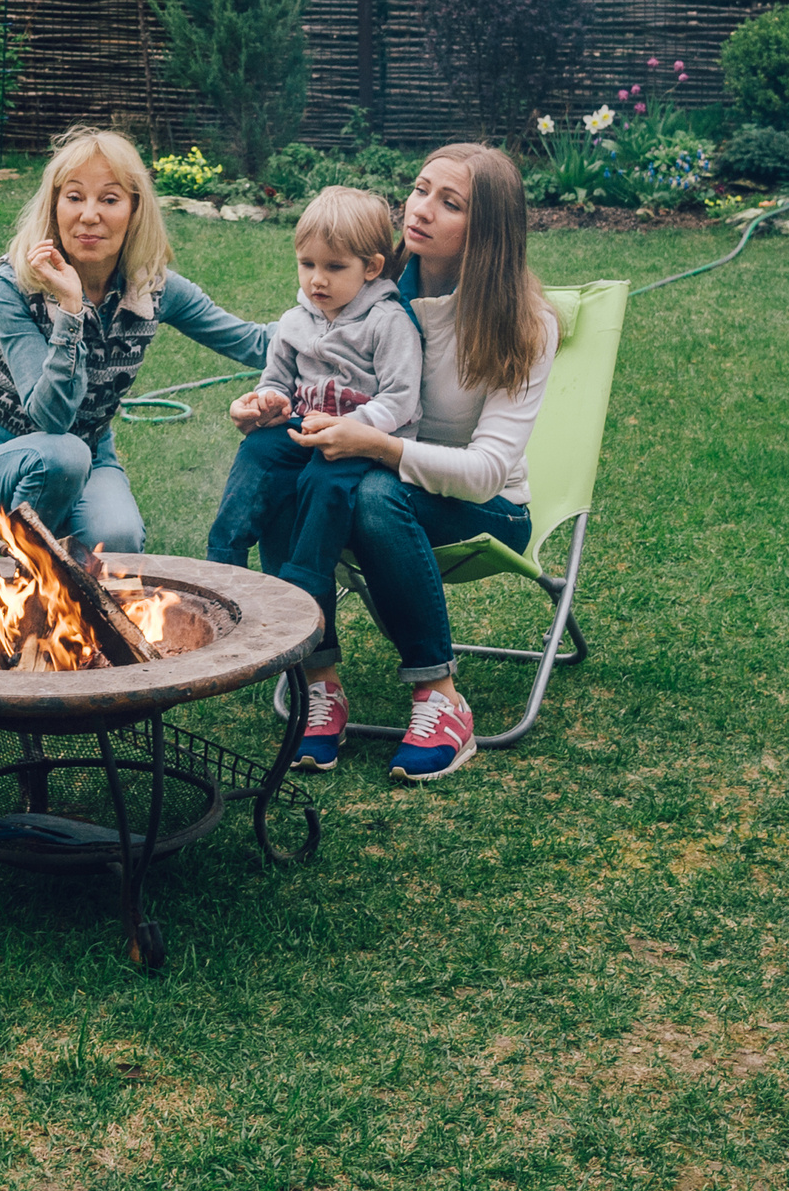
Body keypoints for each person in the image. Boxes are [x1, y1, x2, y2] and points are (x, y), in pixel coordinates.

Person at [208, 144, 555, 784]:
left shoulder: (523, 324)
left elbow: (486, 470)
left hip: (483, 508)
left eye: (449, 203)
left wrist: (380, 447)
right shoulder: (363, 289)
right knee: (293, 471)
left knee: (371, 492)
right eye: (419, 190)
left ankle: (441, 698)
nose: (419, 211)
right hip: (362, 472)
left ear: (489, 231)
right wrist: (270, 404)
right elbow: (300, 351)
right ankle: (321, 681)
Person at [0, 127, 269, 554]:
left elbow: (254, 342)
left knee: (116, 538)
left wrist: (340, 320)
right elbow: (49, 419)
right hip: (2, 451)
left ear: (134, 210)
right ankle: (9, 572)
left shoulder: (149, 288)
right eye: (74, 197)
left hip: (90, 452)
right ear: (54, 204)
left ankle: (72, 602)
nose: (89, 215)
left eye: (109, 199)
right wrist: (71, 309)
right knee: (61, 456)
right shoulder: (14, 284)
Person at [222, 186, 424, 609]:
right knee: (258, 448)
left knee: (321, 478)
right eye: (307, 264)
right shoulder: (294, 322)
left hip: (365, 442)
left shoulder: (387, 322)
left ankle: (305, 577)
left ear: (371, 267)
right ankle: (225, 555)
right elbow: (275, 380)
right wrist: (269, 401)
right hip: (304, 429)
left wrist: (356, 429)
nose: (317, 279)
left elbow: (401, 398)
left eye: (334, 266)